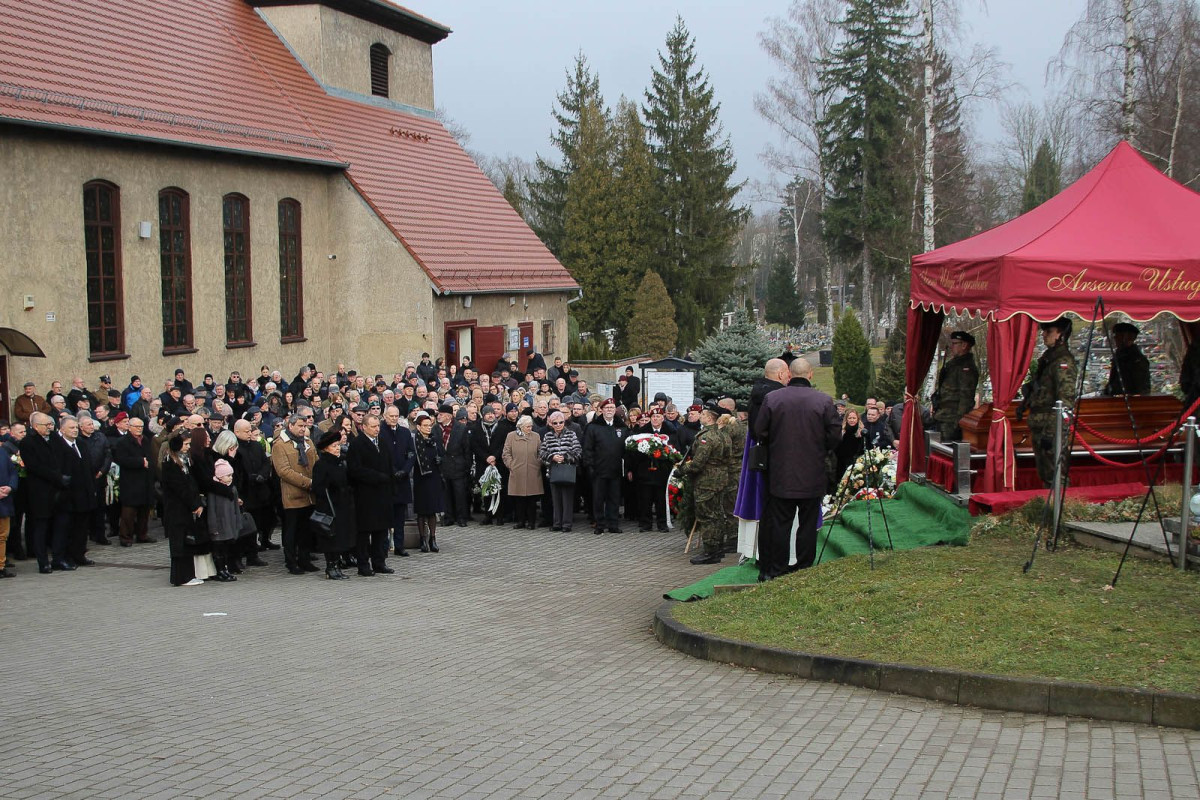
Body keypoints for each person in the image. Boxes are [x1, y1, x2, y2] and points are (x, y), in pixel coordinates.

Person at [752, 357, 842, 581]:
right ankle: (804, 568)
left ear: (789, 375)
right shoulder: (823, 401)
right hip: (812, 473)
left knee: (780, 523)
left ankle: (777, 569)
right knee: (808, 524)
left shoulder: (773, 399)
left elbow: (759, 431)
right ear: (810, 374)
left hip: (780, 473)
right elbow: (834, 436)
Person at [1021, 316, 1079, 488]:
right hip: (1041, 422)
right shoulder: (1049, 359)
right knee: (1046, 473)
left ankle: (1059, 510)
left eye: (1049, 331)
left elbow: (1066, 400)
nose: (1044, 334)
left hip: (1051, 426)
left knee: (1056, 475)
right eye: (1044, 331)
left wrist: (1052, 431)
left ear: (1061, 334)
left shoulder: (1063, 361)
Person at [680, 403, 732, 565]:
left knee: (707, 515)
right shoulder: (724, 435)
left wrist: (682, 469)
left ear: (709, 417)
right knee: (717, 514)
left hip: (706, 481)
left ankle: (710, 551)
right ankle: (717, 547)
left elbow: (697, 463)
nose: (700, 416)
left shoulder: (706, 437)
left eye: (702, 414)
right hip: (721, 478)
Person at [346, 412, 395, 576]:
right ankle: (363, 564)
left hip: (383, 493)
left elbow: (389, 463)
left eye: (378, 426)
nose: (376, 430)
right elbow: (355, 470)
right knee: (364, 532)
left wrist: (389, 478)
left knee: (381, 531)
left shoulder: (382, 441)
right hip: (365, 495)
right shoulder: (357, 444)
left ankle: (379, 562)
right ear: (364, 427)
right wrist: (376, 477)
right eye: (373, 427)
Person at [271, 413, 319, 574]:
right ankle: (291, 562)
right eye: (299, 426)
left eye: (304, 426)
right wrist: (307, 482)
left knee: (306, 530)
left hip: (309, 495)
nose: (303, 429)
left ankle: (305, 559)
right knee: (291, 530)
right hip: (291, 495)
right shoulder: (280, 445)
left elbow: (316, 462)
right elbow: (284, 471)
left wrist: (318, 479)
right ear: (290, 426)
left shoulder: (308, 442)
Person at [160, 434, 206, 587]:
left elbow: (191, 485)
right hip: (176, 509)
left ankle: (187, 574)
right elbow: (180, 488)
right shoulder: (170, 464)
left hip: (184, 508)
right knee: (179, 542)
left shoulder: (185, 462)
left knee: (186, 541)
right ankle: (180, 577)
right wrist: (194, 504)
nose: (188, 447)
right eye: (186, 444)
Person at [53, 415, 97, 568]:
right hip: (69, 495)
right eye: (71, 428)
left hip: (84, 494)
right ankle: (64, 557)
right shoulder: (58, 446)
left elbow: (88, 469)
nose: (75, 431)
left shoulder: (81, 444)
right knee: (67, 528)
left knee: (82, 528)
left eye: (76, 428)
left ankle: (79, 554)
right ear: (62, 429)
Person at [311, 428, 356, 580]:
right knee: (330, 538)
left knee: (341, 537)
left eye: (338, 445)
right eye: (334, 446)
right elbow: (317, 487)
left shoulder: (340, 462)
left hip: (343, 505)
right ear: (325, 448)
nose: (337, 448)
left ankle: (337, 565)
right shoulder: (321, 464)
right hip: (329, 507)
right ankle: (330, 566)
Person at [582, 398, 627, 535]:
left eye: (612, 408)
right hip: (598, 470)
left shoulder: (622, 427)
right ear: (601, 410)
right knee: (598, 499)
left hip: (615, 470)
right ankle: (600, 524)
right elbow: (587, 449)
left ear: (615, 410)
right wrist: (590, 467)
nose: (609, 410)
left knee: (614, 499)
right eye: (607, 408)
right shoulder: (593, 427)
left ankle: (613, 524)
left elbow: (626, 450)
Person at [630, 407, 677, 532]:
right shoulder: (642, 432)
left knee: (661, 499)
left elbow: (674, 450)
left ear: (663, 418)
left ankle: (662, 524)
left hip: (662, 471)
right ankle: (646, 524)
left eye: (658, 417)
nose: (655, 419)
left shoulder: (670, 432)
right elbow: (634, 452)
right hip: (645, 471)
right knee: (645, 499)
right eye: (653, 417)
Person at [113, 416, 156, 547]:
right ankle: (125, 537)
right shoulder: (123, 442)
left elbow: (150, 456)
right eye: (136, 426)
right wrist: (140, 462)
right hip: (131, 481)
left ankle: (142, 534)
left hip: (145, 479)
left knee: (144, 510)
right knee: (129, 512)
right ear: (129, 427)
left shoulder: (145, 440)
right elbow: (121, 459)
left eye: (141, 427)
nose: (139, 429)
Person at [931, 330, 980, 441]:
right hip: (943, 416)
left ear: (964, 345)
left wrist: (959, 422)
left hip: (951, 420)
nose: (951, 346)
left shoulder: (966, 368)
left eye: (954, 343)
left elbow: (966, 398)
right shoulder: (953, 364)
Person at [380, 405, 416, 556]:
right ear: (385, 416)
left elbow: (411, 453)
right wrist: (393, 471)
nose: (394, 419)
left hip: (402, 479)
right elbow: (382, 455)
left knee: (400, 515)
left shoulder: (405, 432)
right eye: (391, 416)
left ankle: (399, 545)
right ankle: (384, 546)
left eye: (396, 416)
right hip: (388, 479)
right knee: (385, 515)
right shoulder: (380, 432)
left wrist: (405, 470)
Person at [539, 411, 581, 532]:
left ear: (564, 422)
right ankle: (557, 523)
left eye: (561, 422)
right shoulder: (548, 436)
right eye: (555, 423)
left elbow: (578, 451)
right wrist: (552, 457)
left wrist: (566, 457)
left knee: (567, 499)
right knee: (555, 499)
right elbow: (541, 453)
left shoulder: (571, 434)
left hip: (567, 470)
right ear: (551, 424)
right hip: (553, 471)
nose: (558, 425)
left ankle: (567, 524)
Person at [411, 412, 445, 552]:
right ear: (418, 427)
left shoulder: (435, 439)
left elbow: (442, 454)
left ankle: (433, 538)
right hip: (421, 477)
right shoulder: (415, 440)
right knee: (422, 510)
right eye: (425, 426)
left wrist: (440, 460)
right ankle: (422, 538)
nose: (428, 428)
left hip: (434, 476)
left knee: (432, 510)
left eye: (430, 425)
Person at [502, 414, 542, 530]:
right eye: (527, 427)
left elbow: (541, 452)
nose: (530, 429)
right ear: (520, 426)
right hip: (517, 471)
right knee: (519, 499)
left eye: (531, 426)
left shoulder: (536, 436)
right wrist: (511, 465)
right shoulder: (511, 436)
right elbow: (506, 453)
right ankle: (521, 521)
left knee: (531, 500)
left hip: (533, 472)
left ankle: (531, 522)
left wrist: (537, 463)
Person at [436, 405, 473, 527]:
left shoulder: (460, 428)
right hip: (443, 465)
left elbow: (467, 449)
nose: (438, 416)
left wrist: (467, 465)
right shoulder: (436, 428)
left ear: (448, 416)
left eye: (441, 414)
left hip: (458, 465)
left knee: (459, 493)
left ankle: (461, 517)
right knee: (446, 493)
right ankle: (448, 517)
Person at [206, 458, 240, 582]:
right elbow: (212, 510)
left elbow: (236, 508)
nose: (230, 478)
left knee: (226, 549)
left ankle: (225, 569)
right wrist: (213, 527)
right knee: (218, 550)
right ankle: (219, 570)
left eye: (231, 475)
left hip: (229, 524)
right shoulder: (214, 491)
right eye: (227, 475)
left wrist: (237, 522)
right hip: (219, 526)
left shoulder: (233, 489)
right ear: (220, 477)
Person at [1104, 322, 1151, 396]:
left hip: (1130, 403)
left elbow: (1140, 388)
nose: (1115, 338)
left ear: (1126, 337)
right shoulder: (1120, 355)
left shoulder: (1136, 359)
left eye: (1117, 336)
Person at [833, 408, 866, 485]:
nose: (852, 420)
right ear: (846, 419)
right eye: (850, 418)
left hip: (856, 460)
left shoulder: (862, 432)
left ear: (858, 419)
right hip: (841, 460)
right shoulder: (842, 431)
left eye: (854, 418)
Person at [0, 433, 15, 578]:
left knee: (3, 535)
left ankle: (1, 565)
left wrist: (10, 487)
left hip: (4, 501)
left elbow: (13, 472)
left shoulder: (2, 453)